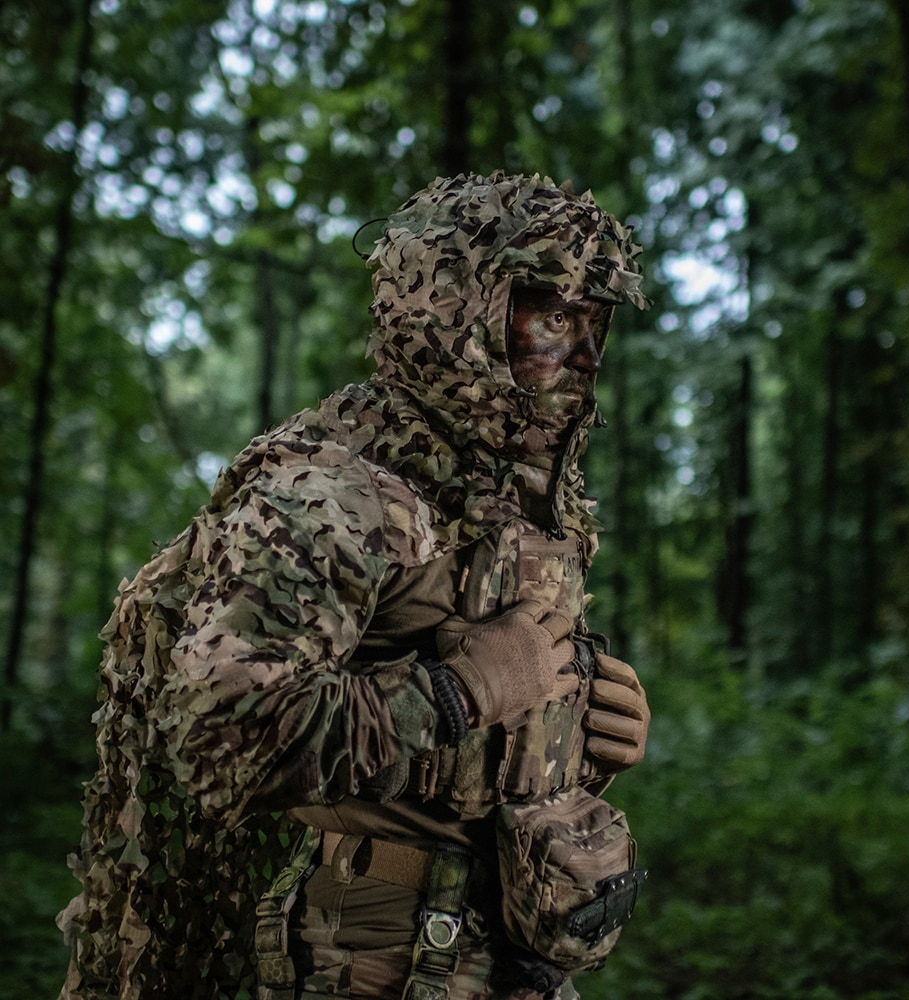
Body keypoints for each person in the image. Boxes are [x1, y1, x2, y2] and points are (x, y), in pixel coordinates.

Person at [58, 171, 651, 1000]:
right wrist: (457, 693)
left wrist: (584, 729)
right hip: (379, 960)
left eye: (595, 322)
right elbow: (216, 739)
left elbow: (491, 721)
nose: (585, 356)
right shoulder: (338, 493)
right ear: (459, 311)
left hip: (523, 948)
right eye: (553, 317)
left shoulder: (524, 499)